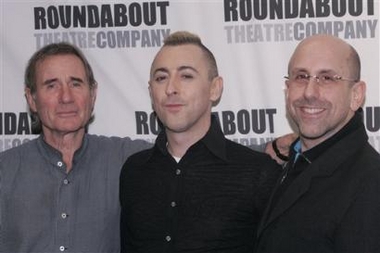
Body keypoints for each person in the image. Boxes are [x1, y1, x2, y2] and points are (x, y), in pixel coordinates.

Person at [0, 42, 291, 253]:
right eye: (51, 85)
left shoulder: (127, 160)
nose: (66, 97)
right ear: (32, 98)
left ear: (93, 94)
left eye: (76, 84)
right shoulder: (5, 171)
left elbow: (197, 151)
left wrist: (272, 148)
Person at [119, 31, 282, 253]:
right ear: (151, 92)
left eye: (186, 76)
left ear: (214, 88)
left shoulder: (259, 173)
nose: (171, 88)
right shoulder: (133, 171)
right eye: (161, 78)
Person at [255, 34, 380, 252]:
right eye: (301, 76)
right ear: (287, 88)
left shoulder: (371, 185)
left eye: (327, 78)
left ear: (356, 95)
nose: (310, 92)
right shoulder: (296, 160)